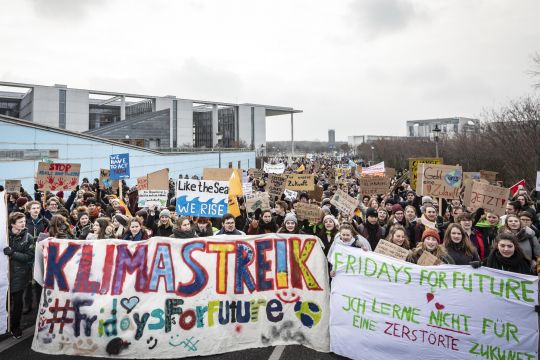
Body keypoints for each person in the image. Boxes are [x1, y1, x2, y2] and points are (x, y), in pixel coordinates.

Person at [4, 212, 35, 338]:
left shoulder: (28, 237)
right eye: (20, 222)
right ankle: (4, 325)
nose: (23, 224)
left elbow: (29, 257)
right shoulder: (4, 236)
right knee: (4, 302)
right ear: (12, 224)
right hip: (4, 275)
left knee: (17, 303)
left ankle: (15, 327)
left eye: (24, 221)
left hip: (19, 276)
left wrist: (13, 254)